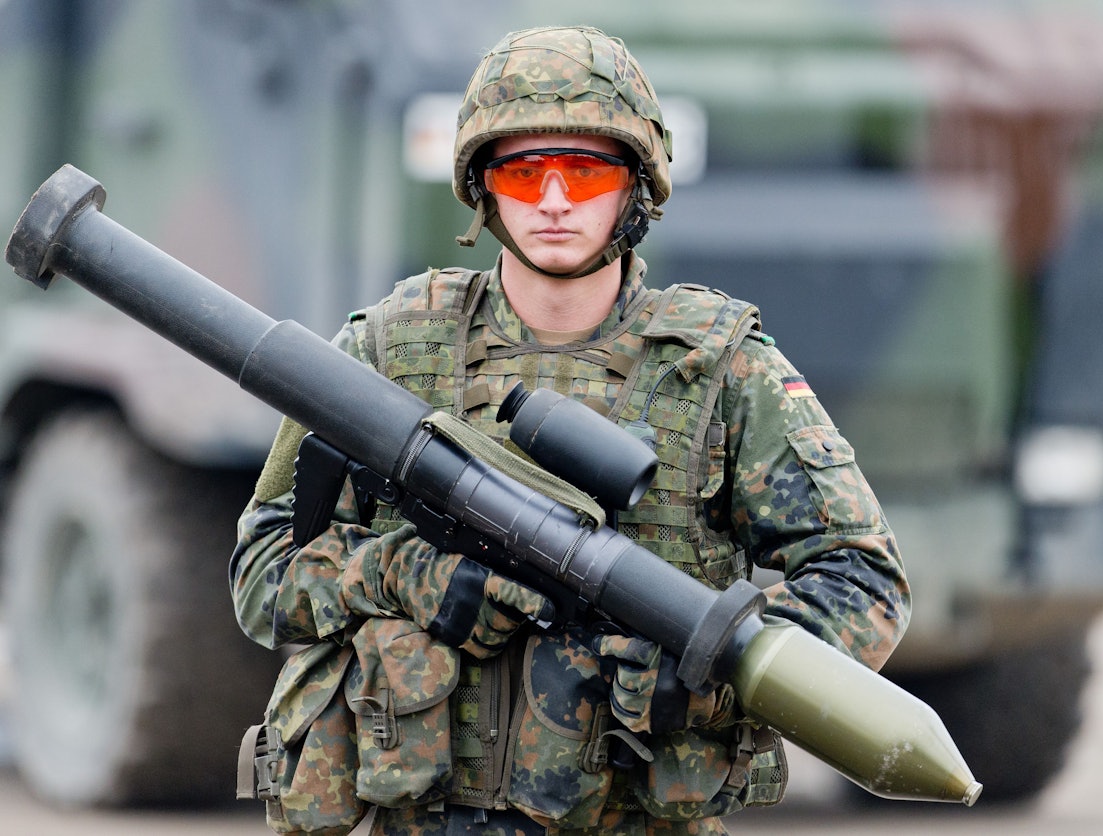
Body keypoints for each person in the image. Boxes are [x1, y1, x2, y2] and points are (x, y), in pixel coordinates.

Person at [231, 25, 910, 836]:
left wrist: (715, 675)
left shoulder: (720, 371)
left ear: (637, 186)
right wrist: (402, 573)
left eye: (584, 170)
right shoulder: (388, 348)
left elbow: (862, 581)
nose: (553, 200)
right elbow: (262, 577)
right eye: (523, 170)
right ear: (483, 186)